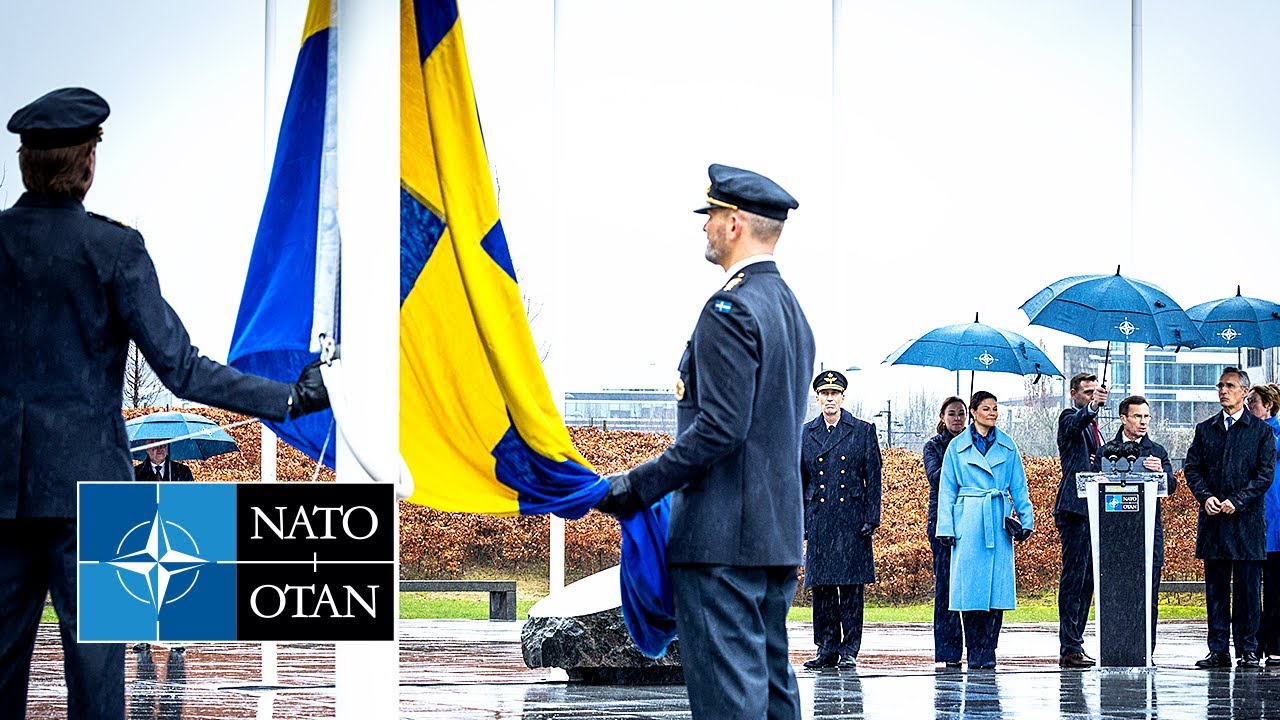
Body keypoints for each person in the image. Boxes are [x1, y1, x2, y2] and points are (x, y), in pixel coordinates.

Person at [0, 87, 330, 719]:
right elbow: (181, 368)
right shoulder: (114, 250)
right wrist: (288, 397)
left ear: (25, 164)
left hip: (2, 496)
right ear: (89, 163)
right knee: (98, 684)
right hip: (91, 496)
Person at [594, 163, 814, 718]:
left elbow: (718, 429)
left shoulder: (729, 309)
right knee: (771, 695)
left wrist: (633, 487)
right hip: (774, 536)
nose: (705, 227)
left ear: (735, 224)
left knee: (728, 702)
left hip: (720, 542)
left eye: (711, 215)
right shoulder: (791, 310)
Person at [1184, 368, 1277, 669]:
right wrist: (1205, 496)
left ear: (1244, 392)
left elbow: (1264, 475)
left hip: (1247, 521)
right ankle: (1218, 649)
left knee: (1249, 590)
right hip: (1214, 520)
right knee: (1216, 589)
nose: (1224, 390)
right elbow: (1192, 467)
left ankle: (1248, 649)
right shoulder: (1205, 428)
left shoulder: (1261, 431)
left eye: (1231, 386)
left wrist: (1237, 500)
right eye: (1220, 385)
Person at [935, 391, 1033, 670]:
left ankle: (988, 650)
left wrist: (1026, 520)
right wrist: (946, 526)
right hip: (967, 521)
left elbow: (1019, 486)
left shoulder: (1008, 446)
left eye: (995, 408)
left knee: (995, 592)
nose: (992, 413)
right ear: (974, 412)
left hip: (997, 520)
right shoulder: (956, 447)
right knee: (970, 590)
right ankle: (973, 648)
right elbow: (947, 488)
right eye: (986, 408)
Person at [799, 370, 882, 670]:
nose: (830, 398)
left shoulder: (861, 430)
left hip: (851, 520)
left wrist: (872, 517)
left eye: (835, 394)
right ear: (818, 398)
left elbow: (873, 477)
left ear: (843, 397)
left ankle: (849, 649)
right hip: (820, 520)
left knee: (850, 590)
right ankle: (827, 648)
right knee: (822, 590)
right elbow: (799, 481)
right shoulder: (806, 433)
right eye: (825, 394)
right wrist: (800, 522)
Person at [1108, 395, 1175, 650]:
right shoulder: (1108, 450)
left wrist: (1161, 473)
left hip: (1147, 534)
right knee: (1116, 596)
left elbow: (1172, 487)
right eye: (1137, 416)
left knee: (1148, 597)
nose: (1143, 422)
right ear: (1123, 418)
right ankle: (1116, 648)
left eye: (1146, 416)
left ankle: (1147, 650)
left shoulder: (1156, 451)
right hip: (1114, 537)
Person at [1054, 371, 1109, 668]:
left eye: (1094, 392)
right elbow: (1075, 424)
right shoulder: (1069, 417)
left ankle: (1077, 641)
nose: (1091, 396)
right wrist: (1091, 408)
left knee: (1087, 580)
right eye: (1086, 392)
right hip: (1074, 509)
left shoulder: (1095, 428)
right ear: (1074, 393)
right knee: (1074, 578)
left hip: (1093, 509)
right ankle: (1069, 646)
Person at [922, 396, 968, 667]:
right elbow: (937, 478)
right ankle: (949, 652)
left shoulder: (972, 445)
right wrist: (959, 464)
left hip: (970, 519)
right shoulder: (934, 446)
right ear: (942, 417)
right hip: (942, 519)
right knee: (946, 586)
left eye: (961, 414)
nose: (957, 419)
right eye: (952, 414)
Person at [1245, 382, 1280, 666]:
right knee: (1251, 587)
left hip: (1274, 519)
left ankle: (1271, 643)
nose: (1248, 407)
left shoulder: (1272, 433)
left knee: (1274, 587)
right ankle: (1254, 644)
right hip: (1257, 517)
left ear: (1268, 405)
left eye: (1253, 402)